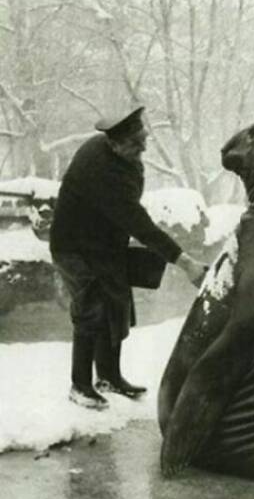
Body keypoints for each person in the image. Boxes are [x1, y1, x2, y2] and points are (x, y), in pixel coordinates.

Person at [49, 105, 208, 410]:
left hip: (104, 245)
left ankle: (109, 377)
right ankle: (80, 386)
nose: (144, 147)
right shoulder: (101, 170)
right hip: (73, 247)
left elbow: (127, 208)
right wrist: (185, 263)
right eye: (136, 143)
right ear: (114, 143)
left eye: (143, 138)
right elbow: (138, 223)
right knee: (91, 308)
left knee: (116, 303)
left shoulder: (120, 156)